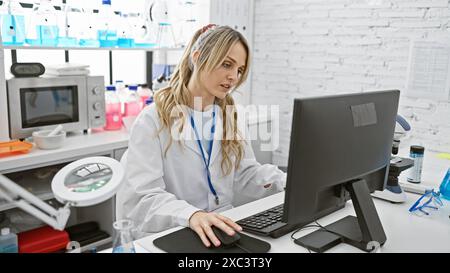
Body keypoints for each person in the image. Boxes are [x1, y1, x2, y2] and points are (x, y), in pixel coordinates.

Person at [116, 25, 286, 248]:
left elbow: (245, 172)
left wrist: (286, 182)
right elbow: (142, 198)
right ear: (197, 58)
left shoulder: (228, 116)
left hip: (221, 227)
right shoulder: (153, 120)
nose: (233, 77)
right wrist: (191, 214)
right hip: (175, 230)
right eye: (227, 64)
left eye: (240, 70)